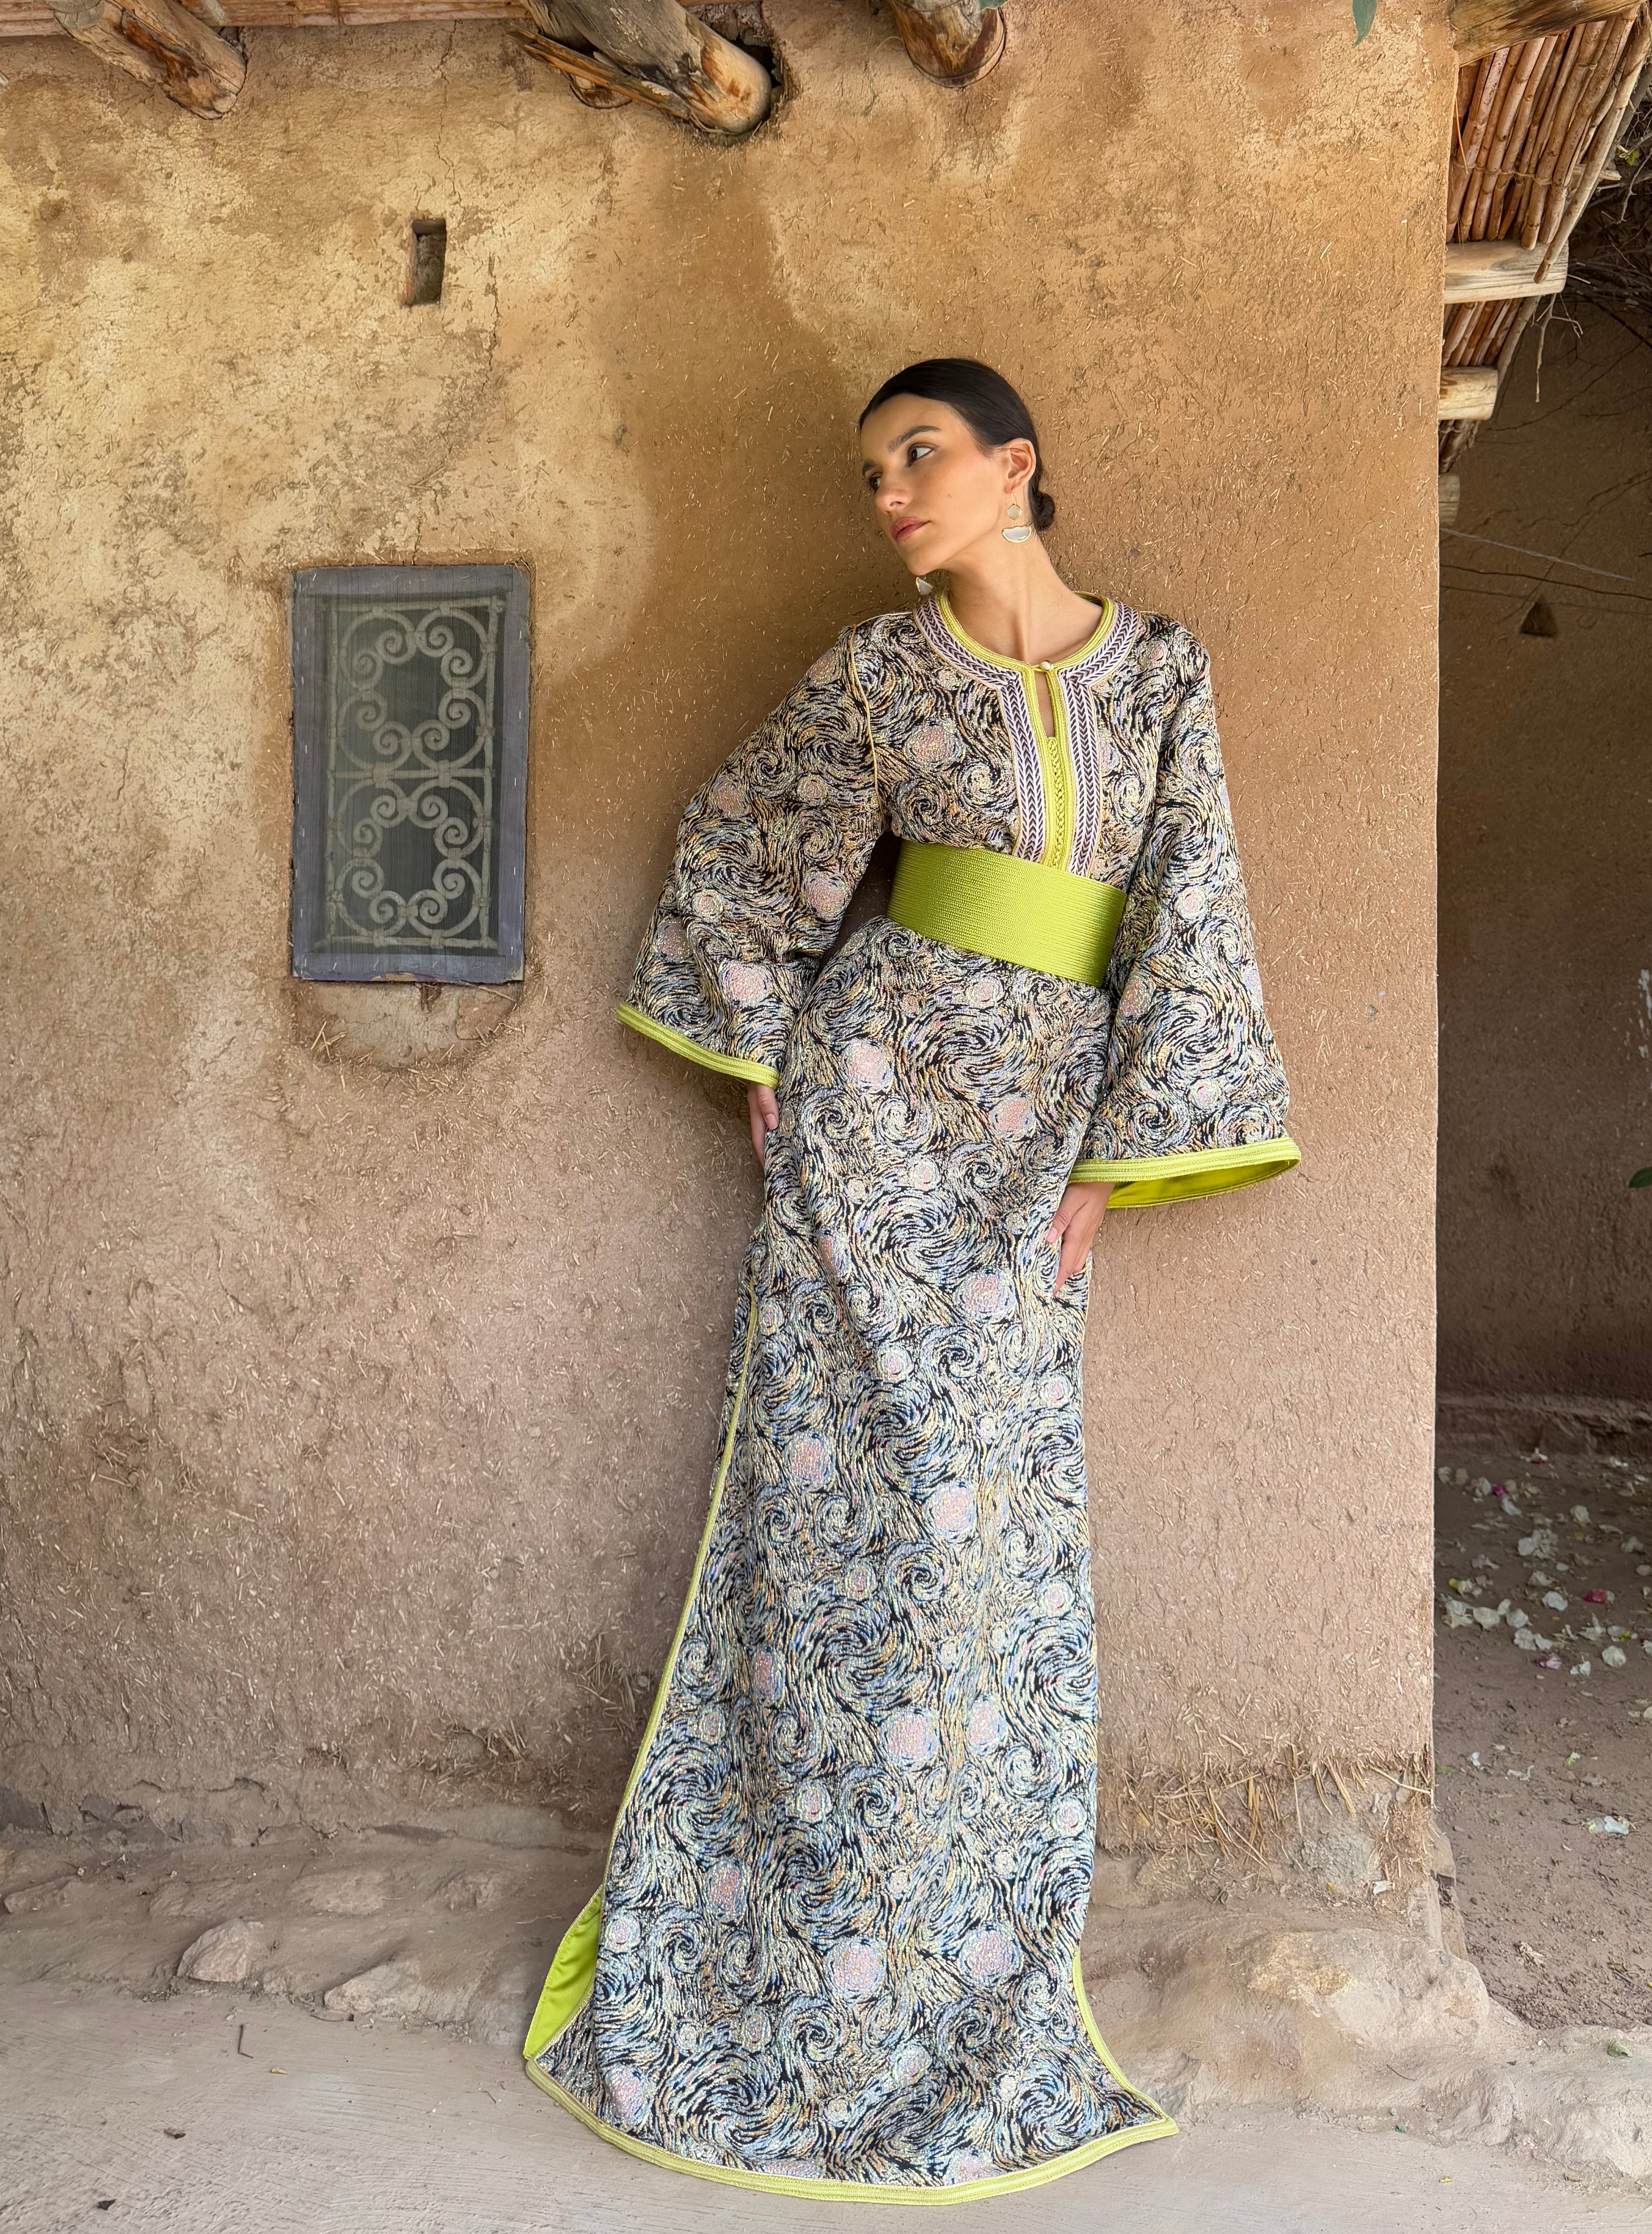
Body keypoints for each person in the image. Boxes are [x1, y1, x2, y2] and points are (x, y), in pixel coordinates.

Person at [524, 359, 1298, 2199]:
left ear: (1016, 466)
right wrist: (765, 1053)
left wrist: (1113, 1156)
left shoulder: (1162, 671)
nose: (891, 493)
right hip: (871, 1114)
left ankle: (956, 1951)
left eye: (921, 455)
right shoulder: (876, 674)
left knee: (983, 1537)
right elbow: (741, 841)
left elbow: (1192, 906)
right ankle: (798, 1937)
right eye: (874, 469)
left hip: (1043, 1130)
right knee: (834, 1522)